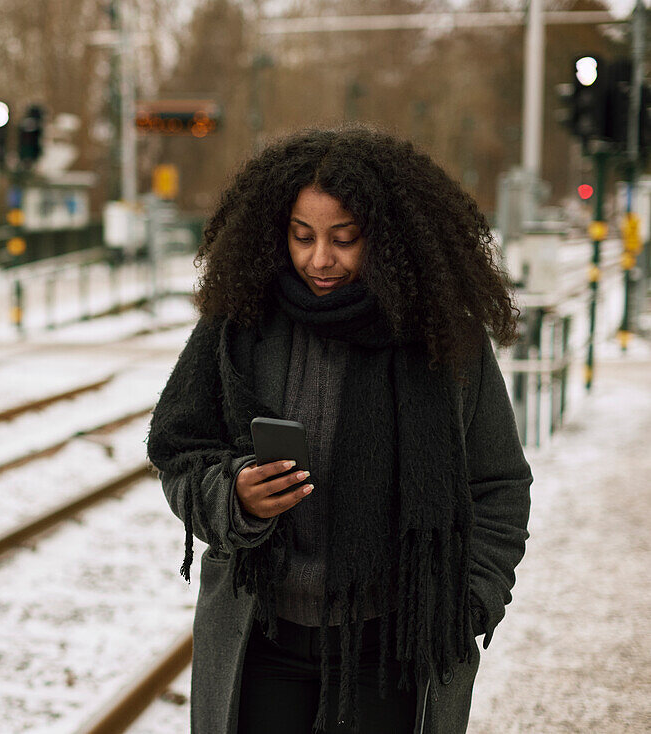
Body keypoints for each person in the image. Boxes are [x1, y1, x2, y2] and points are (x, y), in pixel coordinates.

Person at [146, 126, 531, 734]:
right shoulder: (240, 322)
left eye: (344, 239)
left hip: (396, 652)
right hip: (263, 642)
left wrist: (468, 603)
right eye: (303, 237)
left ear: (388, 240)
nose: (320, 259)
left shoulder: (444, 339)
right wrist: (235, 495)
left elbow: (499, 485)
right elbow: (179, 451)